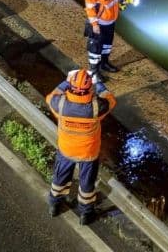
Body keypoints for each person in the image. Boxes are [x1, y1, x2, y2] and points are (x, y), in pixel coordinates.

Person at [46, 69, 116, 225]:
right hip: (88, 153)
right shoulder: (96, 107)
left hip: (66, 149)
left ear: (71, 86)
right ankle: (85, 214)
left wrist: (66, 80)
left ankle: (54, 205)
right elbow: (111, 100)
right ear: (89, 88)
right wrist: (99, 84)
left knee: (60, 178)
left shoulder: (61, 104)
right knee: (86, 183)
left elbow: (50, 97)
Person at [84, 0, 128, 79]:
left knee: (107, 44)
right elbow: (90, 7)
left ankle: (104, 63)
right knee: (95, 48)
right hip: (100, 22)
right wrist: (94, 25)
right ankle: (94, 72)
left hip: (110, 19)